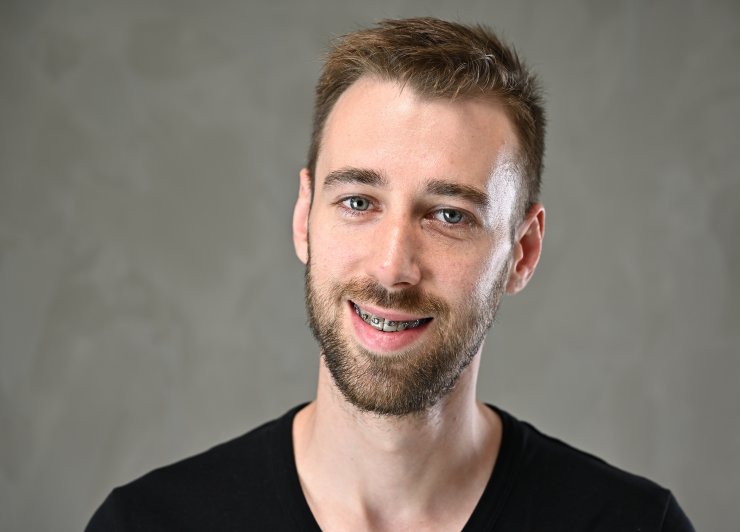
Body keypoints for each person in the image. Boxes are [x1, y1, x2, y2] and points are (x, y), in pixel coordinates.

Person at [87, 17, 694, 531]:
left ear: (523, 251)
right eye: (358, 202)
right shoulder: (147, 524)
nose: (391, 267)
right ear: (304, 217)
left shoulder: (634, 525)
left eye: (449, 215)